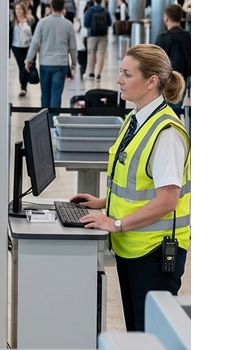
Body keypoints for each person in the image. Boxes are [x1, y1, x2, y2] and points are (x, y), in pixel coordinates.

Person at [71, 44, 190, 332]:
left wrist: (117, 223)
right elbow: (137, 183)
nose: (119, 80)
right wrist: (102, 203)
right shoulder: (136, 119)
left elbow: (167, 200)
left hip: (154, 252)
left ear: (151, 81)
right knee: (136, 331)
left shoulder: (166, 133)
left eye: (127, 74)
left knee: (150, 336)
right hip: (131, 247)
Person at [24, 0, 77, 108]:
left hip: (45, 62)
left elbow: (35, 43)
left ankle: (45, 121)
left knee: (45, 93)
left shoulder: (42, 23)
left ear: (51, 7)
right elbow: (72, 47)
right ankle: (54, 121)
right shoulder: (68, 24)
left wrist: (29, 60)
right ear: (63, 8)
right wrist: (74, 63)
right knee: (56, 94)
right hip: (61, 63)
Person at [154, 4, 191, 114]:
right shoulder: (189, 37)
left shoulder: (162, 38)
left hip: (164, 80)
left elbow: (155, 61)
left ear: (166, 18)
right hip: (182, 79)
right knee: (175, 110)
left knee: (162, 110)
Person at [83, 0, 112, 82]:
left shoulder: (90, 11)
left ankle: (91, 73)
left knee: (92, 54)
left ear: (94, 0)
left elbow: (85, 24)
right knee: (101, 54)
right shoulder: (105, 11)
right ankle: (99, 75)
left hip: (92, 35)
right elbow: (110, 23)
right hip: (103, 35)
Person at [9, 1, 34, 97]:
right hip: (17, 47)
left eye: (20, 9)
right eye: (16, 9)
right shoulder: (12, 22)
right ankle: (23, 87)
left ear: (24, 10)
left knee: (28, 65)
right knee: (22, 66)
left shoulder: (30, 20)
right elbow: (10, 36)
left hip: (29, 46)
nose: (18, 11)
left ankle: (26, 82)